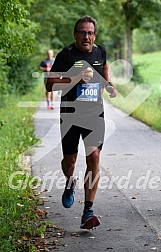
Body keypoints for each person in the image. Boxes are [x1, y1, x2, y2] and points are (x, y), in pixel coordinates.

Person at [46, 15, 117, 230]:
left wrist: (108, 84)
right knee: (70, 161)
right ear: (75, 34)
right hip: (69, 115)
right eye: (82, 32)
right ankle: (70, 183)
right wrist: (75, 78)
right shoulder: (65, 55)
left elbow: (104, 67)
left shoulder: (100, 51)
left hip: (94, 115)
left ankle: (88, 210)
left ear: (94, 35)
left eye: (90, 33)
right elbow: (50, 85)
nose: (86, 36)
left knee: (94, 156)